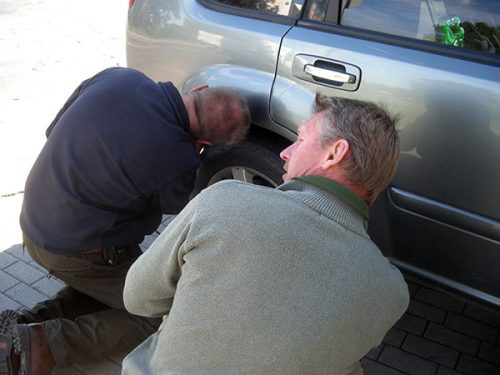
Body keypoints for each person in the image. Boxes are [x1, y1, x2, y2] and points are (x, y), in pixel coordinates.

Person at [121, 94, 409, 374]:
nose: (285, 152)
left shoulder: (224, 202)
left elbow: (137, 298)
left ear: (334, 153)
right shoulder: (392, 292)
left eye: (300, 139)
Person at [0, 67, 250, 374]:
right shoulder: (179, 157)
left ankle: (23, 328)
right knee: (156, 309)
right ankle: (39, 349)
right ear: (206, 144)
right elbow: (171, 204)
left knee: (121, 284)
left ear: (198, 90)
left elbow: (54, 129)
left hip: (33, 218)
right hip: (70, 249)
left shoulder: (120, 77)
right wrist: (190, 157)